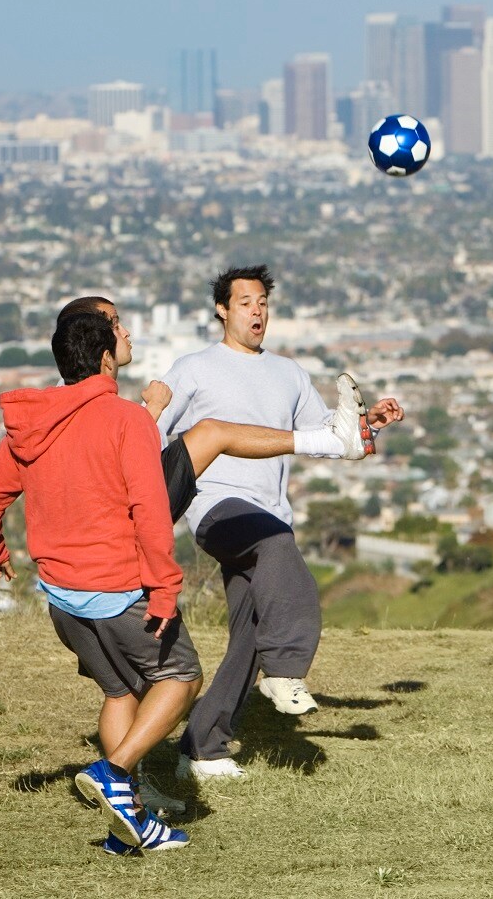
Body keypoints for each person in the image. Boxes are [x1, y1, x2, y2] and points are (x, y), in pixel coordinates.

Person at [0, 300, 370, 853]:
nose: (128, 332)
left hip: (62, 597)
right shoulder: (125, 418)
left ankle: (127, 821)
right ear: (105, 355)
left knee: (120, 688)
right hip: (118, 586)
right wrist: (163, 589)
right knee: (180, 677)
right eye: (119, 327)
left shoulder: (31, 426)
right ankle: (117, 772)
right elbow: (150, 516)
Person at [158, 265, 405, 782]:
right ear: (222, 310)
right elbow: (151, 435)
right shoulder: (193, 368)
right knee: (277, 549)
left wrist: (368, 424)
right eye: (245, 302)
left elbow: (328, 436)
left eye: (263, 303)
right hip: (216, 507)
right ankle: (288, 669)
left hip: (269, 510)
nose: (257, 311)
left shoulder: (289, 373)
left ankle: (203, 748)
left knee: (250, 632)